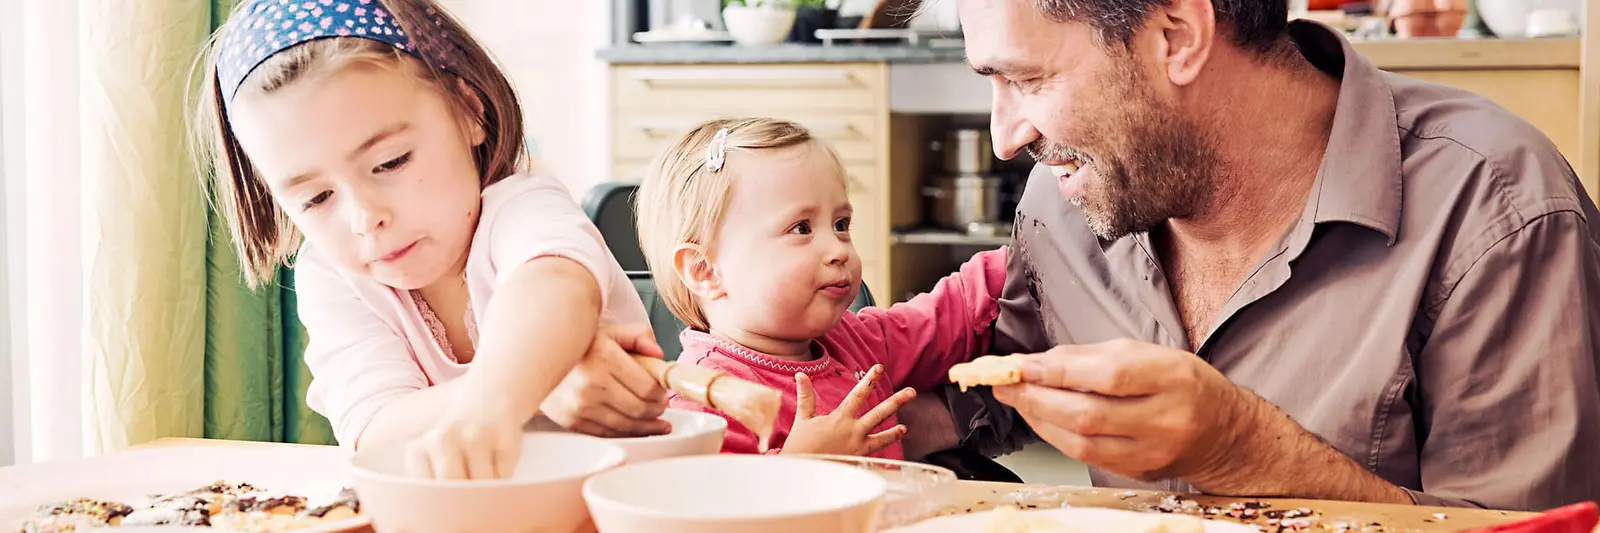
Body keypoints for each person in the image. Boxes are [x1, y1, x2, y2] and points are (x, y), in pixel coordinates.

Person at [913, 0, 1600, 510]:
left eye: (1027, 80)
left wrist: (1242, 450)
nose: (1005, 136)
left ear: (1177, 36)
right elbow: (1004, 385)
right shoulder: (1065, 199)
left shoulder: (1497, 209)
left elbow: (1526, 528)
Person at [192, 0, 669, 479]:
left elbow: (554, 289)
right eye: (316, 198)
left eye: (391, 162)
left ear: (469, 112)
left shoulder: (524, 209)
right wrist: (538, 387)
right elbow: (374, 426)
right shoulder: (332, 275)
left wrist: (498, 399)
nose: (365, 217)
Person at [633, 117, 1008, 458]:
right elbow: (713, 511)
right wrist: (801, 463)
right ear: (705, 271)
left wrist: (1017, 260)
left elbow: (939, 321)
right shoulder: (703, 402)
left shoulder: (850, 339)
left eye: (841, 224)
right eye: (802, 229)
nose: (838, 249)